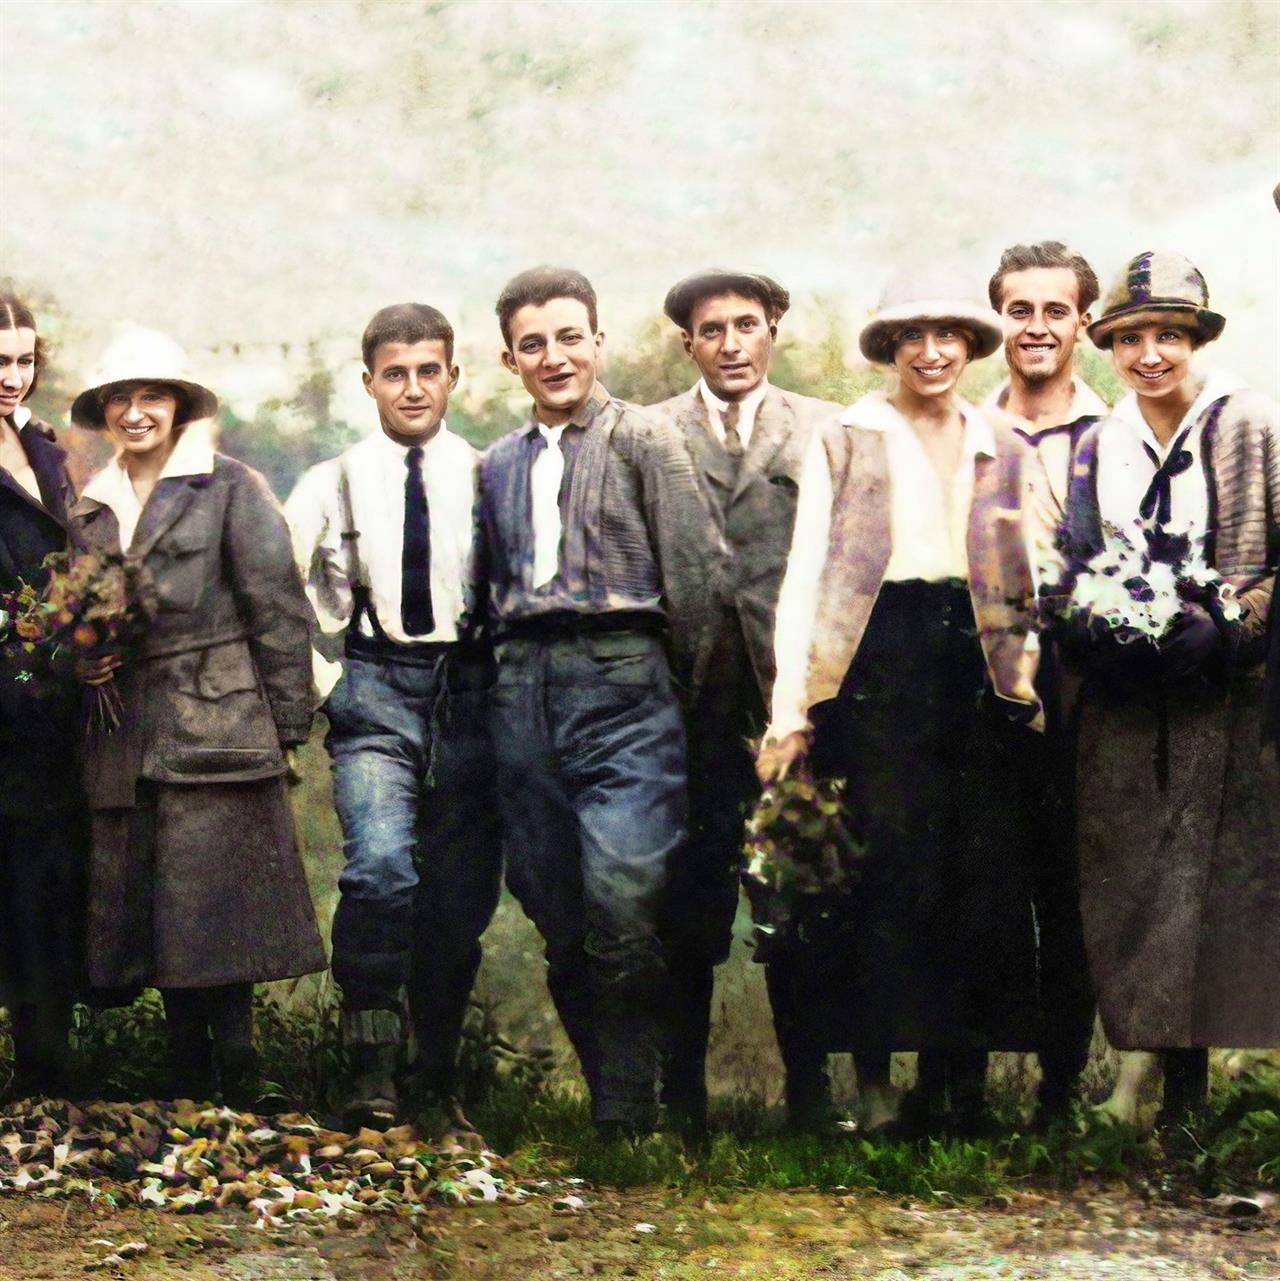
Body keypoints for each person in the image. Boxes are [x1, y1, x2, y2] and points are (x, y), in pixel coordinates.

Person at [757, 270, 1045, 1136]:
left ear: (969, 347)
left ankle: (953, 1085)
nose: (931, 352)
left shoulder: (1001, 439)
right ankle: (876, 1087)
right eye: (912, 337)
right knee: (878, 876)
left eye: (948, 336)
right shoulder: (848, 436)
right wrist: (789, 708)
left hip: (973, 670)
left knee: (971, 873)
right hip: (873, 670)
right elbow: (805, 574)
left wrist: (1025, 675)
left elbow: (1025, 573)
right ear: (888, 350)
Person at [474, 266, 719, 1139]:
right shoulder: (496, 463)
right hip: (523, 696)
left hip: (626, 687)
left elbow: (695, 584)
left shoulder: (647, 440)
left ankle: (635, 1116)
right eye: (533, 343)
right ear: (510, 358)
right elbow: (487, 590)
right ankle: (618, 1102)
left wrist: (674, 704)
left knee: (624, 904)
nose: (555, 357)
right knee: (558, 911)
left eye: (570, 336)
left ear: (599, 341)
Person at [1039, 251, 1280, 1128]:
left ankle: (1186, 1096)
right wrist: (1092, 618)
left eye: (1169, 336)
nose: (1150, 356)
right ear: (1107, 345)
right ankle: (1141, 1082)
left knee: (1210, 882)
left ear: (1196, 340)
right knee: (1135, 874)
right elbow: (1072, 555)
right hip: (1131, 692)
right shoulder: (1105, 440)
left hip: (1223, 688)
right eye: (1131, 337)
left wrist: (1234, 622)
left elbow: (1273, 554)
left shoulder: (1248, 419)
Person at [68, 329, 325, 1106]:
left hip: (220, 716)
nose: (137, 411)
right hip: (129, 730)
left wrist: (285, 724)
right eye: (122, 397)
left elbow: (278, 608)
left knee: (223, 897)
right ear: (106, 410)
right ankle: (185, 1075)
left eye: (153, 395)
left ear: (178, 405)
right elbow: (82, 614)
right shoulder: (91, 505)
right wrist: (86, 655)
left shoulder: (229, 487)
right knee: (160, 897)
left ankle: (242, 1073)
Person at [285, 304, 501, 1132]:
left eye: (428, 371)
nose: (412, 388)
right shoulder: (332, 478)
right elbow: (275, 584)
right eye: (395, 373)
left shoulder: (489, 473)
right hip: (375, 687)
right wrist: (324, 681)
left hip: (470, 696)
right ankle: (368, 1068)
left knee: (459, 894)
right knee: (380, 868)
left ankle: (435, 1079)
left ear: (454, 376)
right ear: (367, 380)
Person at [650, 270, 841, 1134]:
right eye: (712, 329)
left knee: (797, 902)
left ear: (774, 331)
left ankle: (812, 1099)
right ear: (687, 342)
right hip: (685, 709)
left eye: (747, 326)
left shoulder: (824, 429)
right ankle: (681, 1103)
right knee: (688, 913)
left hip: (789, 711)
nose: (731, 344)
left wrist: (810, 701)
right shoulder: (649, 434)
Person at [984, 241, 1108, 1123]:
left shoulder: (1116, 433)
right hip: (980, 682)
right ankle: (959, 1083)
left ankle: (1060, 1088)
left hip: (1081, 682)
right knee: (981, 875)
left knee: (1070, 885)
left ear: (1083, 324)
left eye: (1054, 310)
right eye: (1019, 310)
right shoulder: (962, 427)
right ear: (998, 319)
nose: (1036, 328)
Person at [0, 294, 87, 1098]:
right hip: (5, 692)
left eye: (23, 360)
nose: (11, 377)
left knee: (45, 870)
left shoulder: (44, 448)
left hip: (50, 696)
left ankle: (45, 1067)